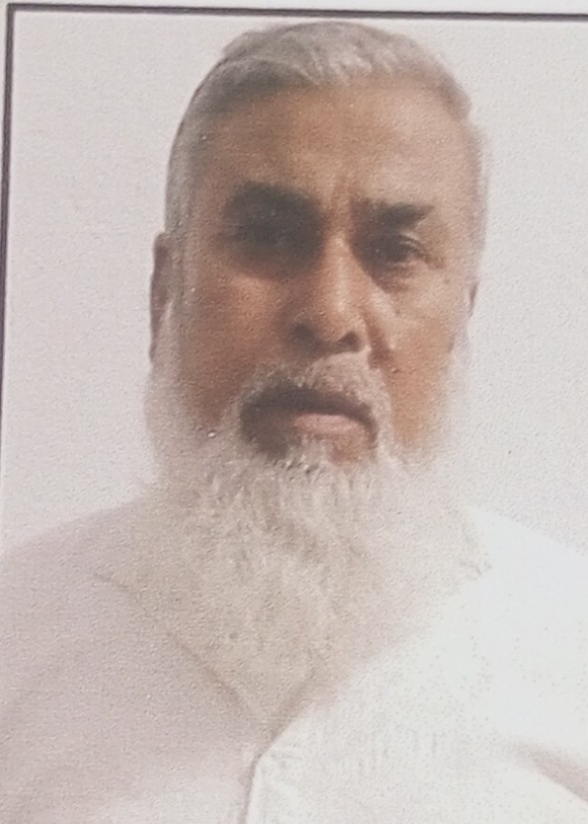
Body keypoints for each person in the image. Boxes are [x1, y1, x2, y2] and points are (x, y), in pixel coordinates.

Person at [1, 19, 588, 823]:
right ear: (165, 291)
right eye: (270, 237)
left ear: (462, 318)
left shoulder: (570, 654)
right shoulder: (17, 635)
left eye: (395, 252)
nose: (330, 313)